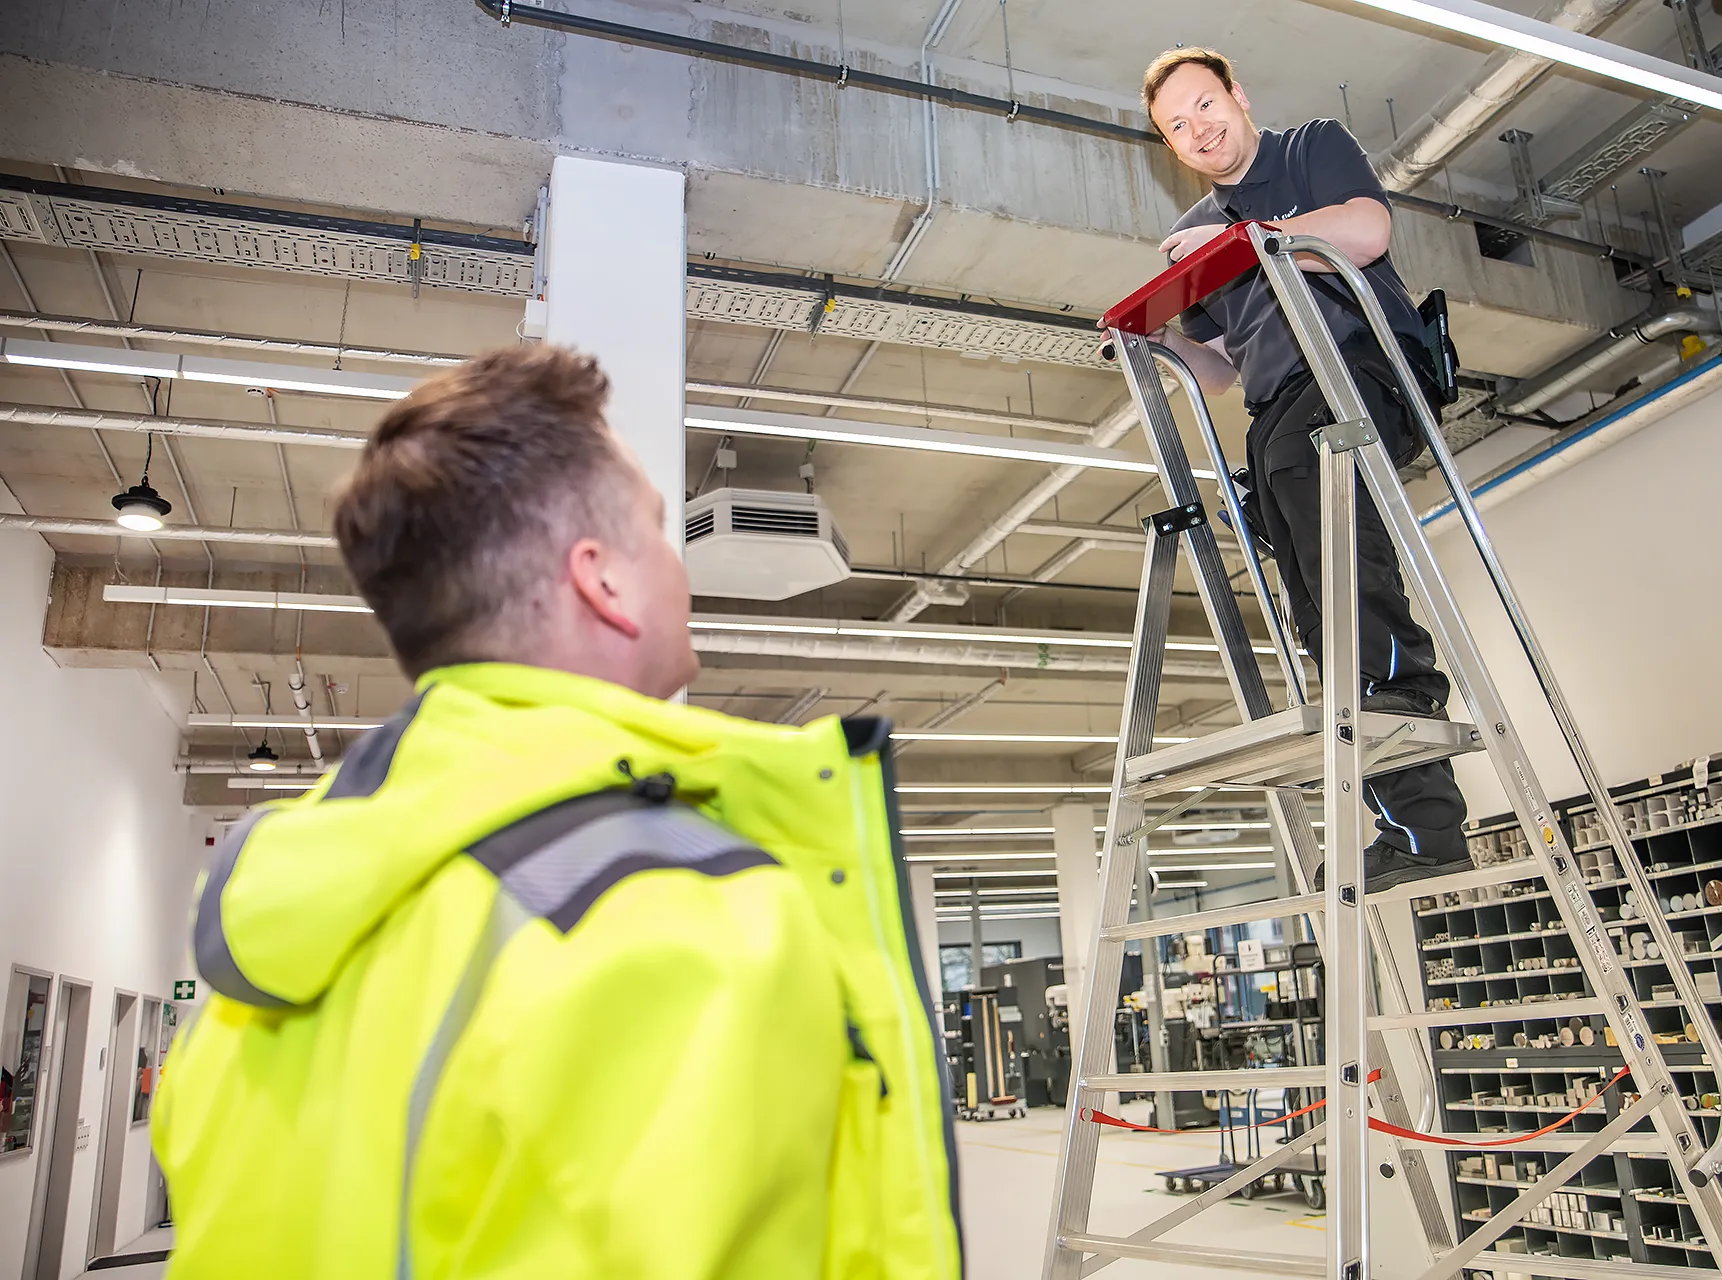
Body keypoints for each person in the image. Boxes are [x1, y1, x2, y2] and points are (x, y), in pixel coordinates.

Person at [153, 344, 962, 1279]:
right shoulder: (674, 912)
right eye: (662, 532)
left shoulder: (254, 965)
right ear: (603, 580)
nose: (681, 570)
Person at [1142, 47, 1473, 890]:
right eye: (1176, 126)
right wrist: (1167, 335)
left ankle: (1405, 690)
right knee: (1318, 603)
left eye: (1204, 106)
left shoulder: (1307, 150)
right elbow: (1220, 367)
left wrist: (1249, 237)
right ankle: (1419, 824)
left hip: (1355, 365)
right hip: (1279, 405)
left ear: (1237, 96)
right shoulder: (1202, 235)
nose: (1198, 130)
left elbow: (1368, 233)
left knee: (1341, 559)